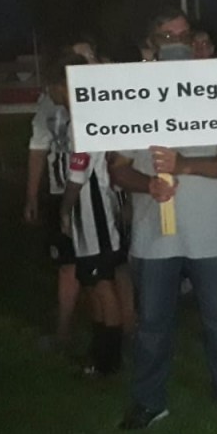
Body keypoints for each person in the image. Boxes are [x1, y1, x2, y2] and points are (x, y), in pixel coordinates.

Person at [110, 8, 217, 430]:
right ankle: (149, 401)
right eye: (167, 37)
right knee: (152, 325)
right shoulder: (133, 98)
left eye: (183, 36)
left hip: (211, 234)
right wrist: (148, 184)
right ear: (151, 46)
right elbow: (118, 169)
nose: (177, 44)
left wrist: (186, 166)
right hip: (154, 235)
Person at [50, 56, 126, 376]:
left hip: (95, 217)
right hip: (90, 218)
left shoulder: (84, 121)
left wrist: (64, 208)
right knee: (93, 283)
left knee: (102, 284)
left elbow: (78, 174)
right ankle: (99, 352)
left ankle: (110, 359)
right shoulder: (82, 118)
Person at [25, 55, 79, 349]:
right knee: (67, 263)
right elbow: (38, 148)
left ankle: (122, 325)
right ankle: (65, 328)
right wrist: (32, 195)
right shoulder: (47, 105)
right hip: (60, 191)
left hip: (89, 193)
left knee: (106, 266)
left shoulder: (93, 105)